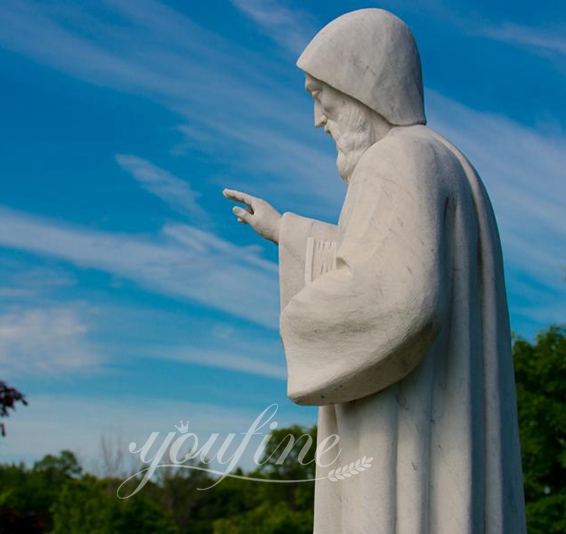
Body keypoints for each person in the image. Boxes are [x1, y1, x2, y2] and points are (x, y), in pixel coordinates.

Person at [224, 9, 526, 533]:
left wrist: (301, 319)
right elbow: (386, 259)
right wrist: (286, 231)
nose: (318, 119)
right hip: (444, 420)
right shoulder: (449, 162)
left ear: (361, 84)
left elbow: (399, 296)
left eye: (321, 95)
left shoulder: (394, 159)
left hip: (405, 427)